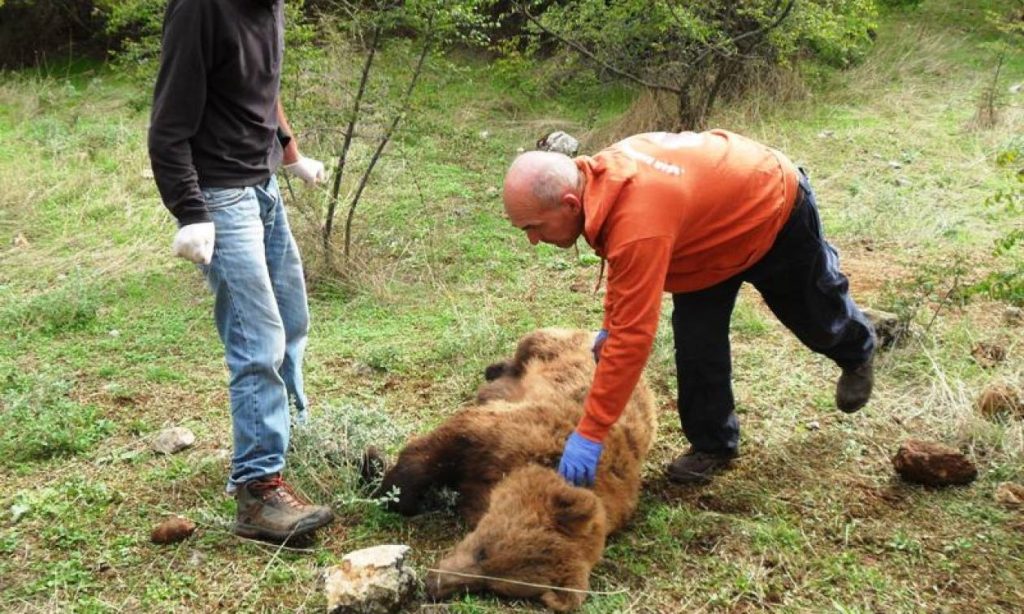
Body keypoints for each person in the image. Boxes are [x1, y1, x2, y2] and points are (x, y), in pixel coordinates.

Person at [503, 130, 876, 486]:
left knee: (814, 316)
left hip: (770, 210)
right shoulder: (599, 184)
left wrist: (591, 433)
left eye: (533, 227)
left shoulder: (639, 220)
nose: (534, 241)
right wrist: (610, 324)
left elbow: (633, 339)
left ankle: (858, 351)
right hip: (702, 240)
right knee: (697, 344)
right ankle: (713, 444)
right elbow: (622, 265)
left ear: (568, 204)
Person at [148, 0, 334, 543]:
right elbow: (167, 125)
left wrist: (292, 155)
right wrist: (190, 210)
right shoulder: (200, 10)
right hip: (219, 192)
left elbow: (263, 94)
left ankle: (290, 435)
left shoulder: (268, 7)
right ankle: (258, 490)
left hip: (262, 184)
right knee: (258, 338)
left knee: (292, 318)